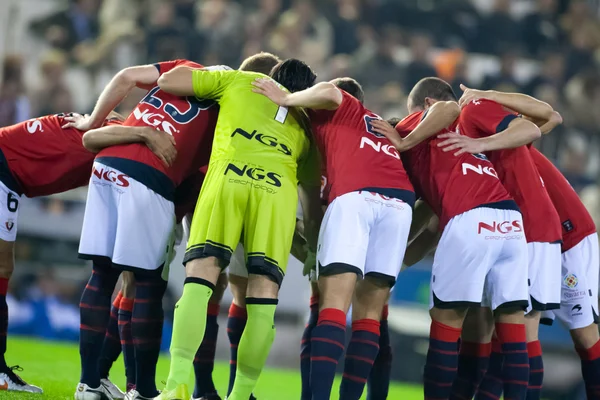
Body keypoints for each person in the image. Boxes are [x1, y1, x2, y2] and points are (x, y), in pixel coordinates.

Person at [70, 53, 282, 400]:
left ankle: (89, 383)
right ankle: (145, 389)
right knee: (150, 284)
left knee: (103, 276)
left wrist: (93, 121)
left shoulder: (186, 70)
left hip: (107, 164)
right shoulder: (233, 108)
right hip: (151, 179)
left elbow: (125, 76)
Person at [154, 58, 322, 400]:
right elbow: (311, 197)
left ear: (272, 77)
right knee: (262, 302)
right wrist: (315, 246)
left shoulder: (239, 81)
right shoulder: (307, 125)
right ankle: (240, 395)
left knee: (199, 284)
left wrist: (214, 77)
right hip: (276, 197)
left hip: (228, 179)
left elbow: (169, 81)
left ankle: (175, 387)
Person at [370, 77, 533, 399]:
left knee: (446, 321)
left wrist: (403, 141)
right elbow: (427, 226)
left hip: (471, 218)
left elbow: (446, 106)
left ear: (422, 107)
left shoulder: (411, 127)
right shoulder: (448, 152)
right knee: (512, 328)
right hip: (511, 224)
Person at [252, 76, 414, 400]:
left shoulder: (339, 109)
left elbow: (328, 91)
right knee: (370, 313)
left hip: (355, 197)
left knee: (333, 307)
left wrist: (286, 98)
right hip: (399, 204)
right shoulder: (375, 127)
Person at [0, 110, 175, 395]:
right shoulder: (120, 134)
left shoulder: (114, 128)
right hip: (4, 168)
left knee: (3, 268)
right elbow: (92, 138)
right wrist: (143, 132)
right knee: (2, 268)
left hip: (10, 173)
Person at [454, 87, 600, 399]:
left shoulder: (488, 127)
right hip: (538, 232)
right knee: (518, 333)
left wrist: (487, 96)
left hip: (567, 232)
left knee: (584, 337)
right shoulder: (507, 141)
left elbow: (547, 117)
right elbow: (548, 118)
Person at [434, 83, 562, 400]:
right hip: (512, 227)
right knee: (504, 337)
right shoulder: (479, 136)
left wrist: (487, 103)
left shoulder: (473, 113)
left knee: (518, 336)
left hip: (528, 226)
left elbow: (536, 124)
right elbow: (552, 118)